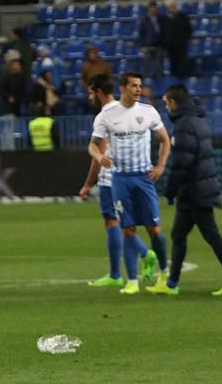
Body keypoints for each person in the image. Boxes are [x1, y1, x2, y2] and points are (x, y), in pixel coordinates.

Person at [150, 85, 222, 296]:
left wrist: (170, 190)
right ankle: (172, 284)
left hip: (194, 189)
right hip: (196, 187)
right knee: (179, 234)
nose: (166, 108)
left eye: (167, 103)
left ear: (173, 103)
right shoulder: (199, 119)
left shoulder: (184, 125)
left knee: (211, 234)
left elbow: (182, 161)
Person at [90, 72, 170, 294]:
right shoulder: (107, 115)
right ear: (123, 88)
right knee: (128, 229)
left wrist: (161, 166)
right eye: (134, 86)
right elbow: (93, 145)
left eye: (140, 86)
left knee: (154, 228)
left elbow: (164, 139)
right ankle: (132, 281)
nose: (138, 90)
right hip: (120, 179)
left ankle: (164, 274)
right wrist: (99, 158)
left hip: (143, 177)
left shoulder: (148, 112)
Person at [80, 74, 155, 288]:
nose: (89, 97)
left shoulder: (108, 113)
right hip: (123, 174)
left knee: (113, 222)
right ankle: (126, 266)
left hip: (111, 176)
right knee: (118, 222)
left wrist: (87, 184)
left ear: (99, 92)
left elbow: (100, 152)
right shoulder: (118, 109)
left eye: (91, 93)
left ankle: (131, 263)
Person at [162, 0, 192, 78]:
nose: (170, 8)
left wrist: (183, 39)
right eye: (168, 7)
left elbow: (189, 29)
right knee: (172, 65)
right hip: (170, 46)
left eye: (172, 6)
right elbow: (163, 32)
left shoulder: (183, 17)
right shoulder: (165, 18)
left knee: (182, 64)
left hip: (181, 45)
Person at [138, 1, 165, 80]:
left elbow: (165, 32)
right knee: (146, 66)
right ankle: (145, 84)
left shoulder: (161, 19)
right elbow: (141, 34)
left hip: (159, 46)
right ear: (148, 9)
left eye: (154, 8)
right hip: (147, 46)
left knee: (159, 66)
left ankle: (160, 84)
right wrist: (142, 46)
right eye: (151, 8)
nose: (153, 9)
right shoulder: (144, 20)